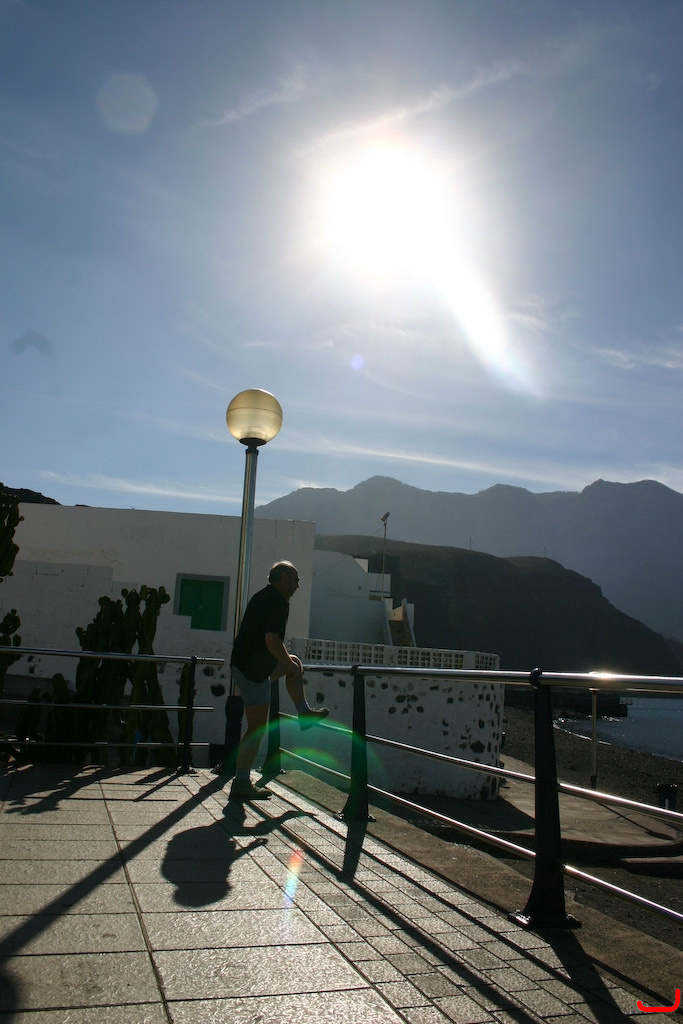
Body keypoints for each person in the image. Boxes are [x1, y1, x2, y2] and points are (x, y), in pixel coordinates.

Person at [229, 560, 328, 801]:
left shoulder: (264, 596)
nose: (298, 585)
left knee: (294, 663)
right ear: (283, 578)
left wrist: (288, 663)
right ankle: (241, 782)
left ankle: (303, 713)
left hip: (247, 665)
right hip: (252, 672)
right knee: (256, 728)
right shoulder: (278, 601)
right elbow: (272, 640)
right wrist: (286, 663)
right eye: (296, 580)